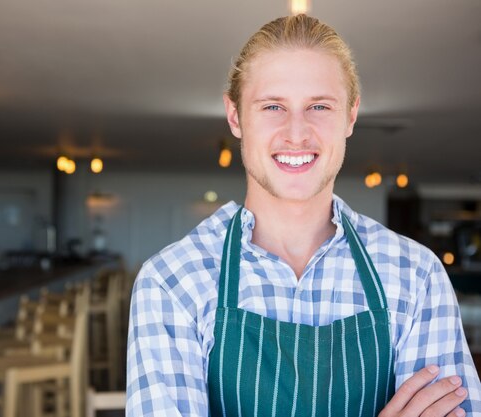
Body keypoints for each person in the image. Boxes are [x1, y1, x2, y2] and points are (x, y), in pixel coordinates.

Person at [126, 14, 481, 417]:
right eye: (273, 106)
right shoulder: (173, 282)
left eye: (319, 106)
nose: (297, 133)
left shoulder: (417, 277)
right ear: (235, 116)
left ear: (350, 115)